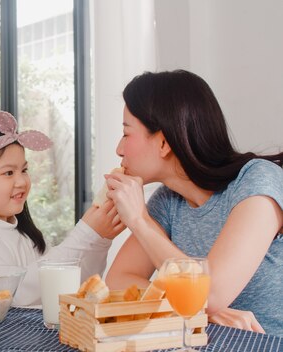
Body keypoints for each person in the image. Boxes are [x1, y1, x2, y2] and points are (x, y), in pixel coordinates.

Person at [104, 70, 283, 336]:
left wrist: (139, 221)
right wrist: (198, 310)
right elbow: (118, 281)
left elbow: (211, 293)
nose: (119, 149)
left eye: (126, 133)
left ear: (164, 142)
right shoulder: (168, 201)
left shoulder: (257, 181)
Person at [0, 111, 125, 306]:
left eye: (24, 170)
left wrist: (100, 239)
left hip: (32, 337)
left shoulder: (26, 236)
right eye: (8, 173)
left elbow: (76, 286)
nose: (21, 181)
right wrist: (86, 233)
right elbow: (11, 294)